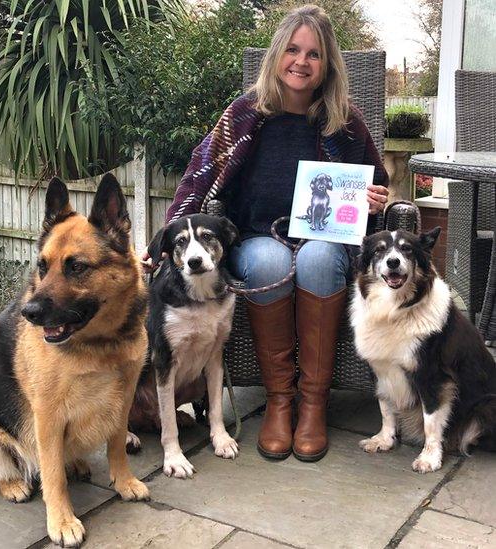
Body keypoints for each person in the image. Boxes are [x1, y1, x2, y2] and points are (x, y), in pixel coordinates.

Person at [142, 4, 389, 462]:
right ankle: (279, 400)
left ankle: (312, 402)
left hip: (324, 242)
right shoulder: (244, 115)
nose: (301, 61)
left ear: (327, 64)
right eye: (293, 50)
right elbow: (199, 176)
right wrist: (162, 243)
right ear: (277, 55)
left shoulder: (345, 122)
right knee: (270, 261)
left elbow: (376, 185)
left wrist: (377, 200)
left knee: (315, 259)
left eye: (314, 54)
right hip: (258, 238)